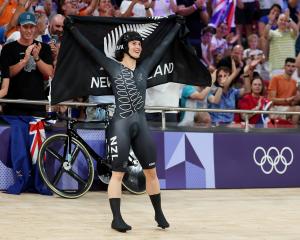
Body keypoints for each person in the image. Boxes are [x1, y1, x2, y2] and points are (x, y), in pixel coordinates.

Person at [67, 18, 183, 232]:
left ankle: (158, 214)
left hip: (141, 123)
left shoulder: (144, 68)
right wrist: (73, 28)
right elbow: (89, 49)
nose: (138, 46)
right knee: (118, 174)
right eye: (134, 43)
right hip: (120, 124)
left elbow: (163, 47)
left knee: (151, 172)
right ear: (124, 47)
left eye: (140, 43)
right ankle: (116, 218)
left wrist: (176, 27)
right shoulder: (112, 67)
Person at [0, 12, 53, 116]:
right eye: (25, 27)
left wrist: (37, 58)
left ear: (35, 27)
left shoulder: (44, 48)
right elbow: (7, 73)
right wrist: (24, 60)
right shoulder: (8, 48)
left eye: (31, 27)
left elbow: (49, 72)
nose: (29, 30)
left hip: (37, 105)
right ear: (18, 27)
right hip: (13, 106)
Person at [268, 57, 300, 124]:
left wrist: (296, 100)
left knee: (297, 108)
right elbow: (271, 99)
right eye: (288, 66)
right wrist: (286, 99)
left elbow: (291, 103)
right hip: (276, 108)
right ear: (284, 67)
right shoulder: (275, 79)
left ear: (295, 68)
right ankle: (293, 131)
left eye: (293, 66)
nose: (290, 68)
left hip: (287, 108)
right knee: (297, 109)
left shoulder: (294, 82)